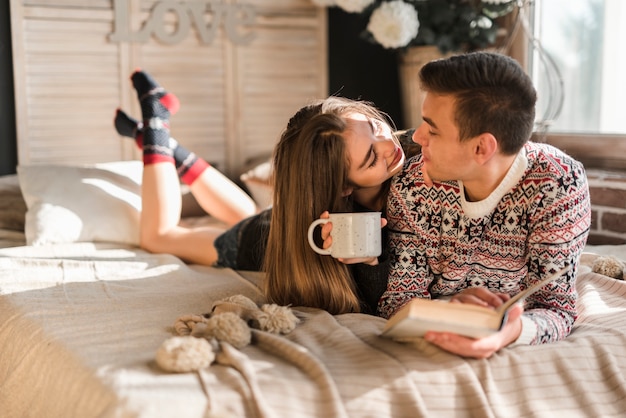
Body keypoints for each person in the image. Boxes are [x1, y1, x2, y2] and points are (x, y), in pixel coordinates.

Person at [115, 70, 407, 314]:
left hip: (277, 220)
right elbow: (375, 303)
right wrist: (370, 262)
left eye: (376, 127)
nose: (387, 145)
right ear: (342, 187)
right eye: (370, 157)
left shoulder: (418, 157)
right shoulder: (334, 231)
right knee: (159, 237)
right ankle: (156, 124)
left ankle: (164, 144)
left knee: (247, 213)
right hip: (259, 237)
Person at [378, 51, 592, 358]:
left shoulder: (559, 183)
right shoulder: (412, 184)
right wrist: (448, 309)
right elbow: (398, 299)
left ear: (482, 147)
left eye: (432, 129)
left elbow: (555, 307)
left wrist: (507, 334)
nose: (417, 135)